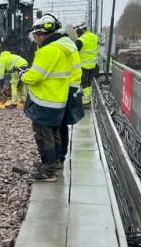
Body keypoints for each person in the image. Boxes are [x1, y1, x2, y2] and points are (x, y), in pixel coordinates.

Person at [21, 13, 71, 182]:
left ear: (42, 35)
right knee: (55, 134)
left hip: (45, 102)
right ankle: (53, 163)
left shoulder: (47, 51)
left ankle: (48, 171)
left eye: (35, 37)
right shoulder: (62, 49)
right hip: (58, 101)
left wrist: (23, 76)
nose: (35, 40)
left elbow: (35, 77)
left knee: (44, 137)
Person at [55, 31, 85, 169]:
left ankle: (59, 157)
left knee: (60, 126)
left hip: (64, 92)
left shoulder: (63, 49)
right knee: (62, 126)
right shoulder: (71, 47)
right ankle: (60, 156)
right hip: (69, 90)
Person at [74, 22, 99, 108]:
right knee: (88, 82)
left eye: (77, 32)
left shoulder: (81, 40)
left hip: (83, 65)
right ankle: (88, 99)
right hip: (92, 64)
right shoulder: (95, 37)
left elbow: (73, 51)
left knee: (84, 83)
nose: (77, 34)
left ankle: (85, 101)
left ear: (81, 31)